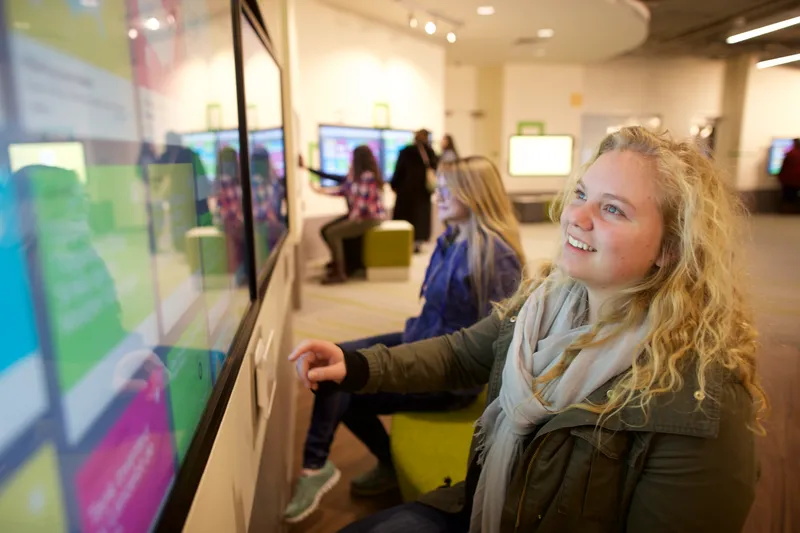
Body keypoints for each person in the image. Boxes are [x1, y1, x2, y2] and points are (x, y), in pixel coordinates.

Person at [290, 126, 768, 533]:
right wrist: (355, 364)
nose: (574, 217)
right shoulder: (541, 300)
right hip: (485, 505)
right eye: (581, 194)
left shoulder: (705, 400)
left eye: (613, 209)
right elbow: (460, 353)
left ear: (670, 246)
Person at [283, 156, 526, 524]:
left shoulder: (497, 256)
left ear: (475, 194)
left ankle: (315, 465)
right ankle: (381, 463)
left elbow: (494, 342)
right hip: (419, 336)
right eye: (439, 186)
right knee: (338, 360)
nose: (438, 194)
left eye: (448, 188)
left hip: (447, 374)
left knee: (342, 386)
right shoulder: (451, 237)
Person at [307, 145, 386, 284]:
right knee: (325, 230)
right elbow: (343, 190)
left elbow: (363, 205)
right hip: (359, 215)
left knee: (333, 233)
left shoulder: (368, 176)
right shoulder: (355, 176)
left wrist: (350, 221)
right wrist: (321, 191)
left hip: (369, 218)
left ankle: (340, 272)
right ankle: (337, 262)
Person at [392, 129, 438, 253]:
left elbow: (398, 172)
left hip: (406, 193)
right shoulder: (430, 153)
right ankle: (417, 243)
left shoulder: (406, 151)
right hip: (423, 193)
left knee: (405, 218)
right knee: (420, 219)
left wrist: (394, 186)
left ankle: (403, 242)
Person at [778, 138, 800, 213]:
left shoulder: (790, 154)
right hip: (796, 180)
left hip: (789, 181)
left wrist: (780, 178)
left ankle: (787, 213)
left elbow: (784, 168)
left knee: (788, 199)